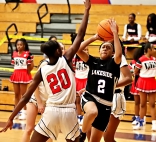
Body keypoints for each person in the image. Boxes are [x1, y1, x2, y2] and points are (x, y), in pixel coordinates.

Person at [0, 1, 91, 142]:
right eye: (60, 47)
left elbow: (25, 97)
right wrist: (86, 10)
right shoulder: (66, 59)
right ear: (57, 51)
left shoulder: (42, 69)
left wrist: (11, 117)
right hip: (68, 111)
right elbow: (80, 34)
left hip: (52, 111)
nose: (62, 49)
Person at [77, 18, 122, 142]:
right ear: (99, 51)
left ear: (112, 52)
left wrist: (115, 34)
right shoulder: (93, 61)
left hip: (106, 106)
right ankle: (82, 133)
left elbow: (119, 54)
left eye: (108, 47)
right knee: (91, 112)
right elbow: (78, 49)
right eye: (103, 47)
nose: (105, 48)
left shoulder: (114, 64)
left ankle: (84, 134)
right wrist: (94, 38)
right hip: (90, 97)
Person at [103, 43, 132, 142]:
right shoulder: (104, 59)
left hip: (116, 96)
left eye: (109, 45)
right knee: (105, 136)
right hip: (104, 97)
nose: (105, 47)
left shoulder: (119, 57)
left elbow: (129, 78)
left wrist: (111, 85)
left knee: (108, 137)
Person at [133, 43, 156, 131]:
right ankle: (140, 123)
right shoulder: (141, 60)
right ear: (148, 49)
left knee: (152, 104)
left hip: (152, 81)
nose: (155, 50)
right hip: (143, 81)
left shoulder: (155, 59)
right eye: (153, 49)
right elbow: (136, 71)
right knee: (143, 104)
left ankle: (154, 123)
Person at [10, 38, 34, 120]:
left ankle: (25, 111)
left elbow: (31, 66)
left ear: (24, 45)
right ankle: (16, 111)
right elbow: (14, 64)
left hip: (24, 74)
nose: (19, 46)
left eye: (21, 45)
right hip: (16, 73)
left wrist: (27, 73)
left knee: (24, 95)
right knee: (16, 94)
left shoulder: (28, 54)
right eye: (17, 45)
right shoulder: (14, 53)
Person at [71, 33, 89, 124]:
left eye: (86, 49)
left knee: (85, 101)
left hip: (86, 80)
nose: (85, 50)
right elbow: (74, 69)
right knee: (77, 101)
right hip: (77, 80)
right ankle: (79, 116)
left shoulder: (88, 58)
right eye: (84, 49)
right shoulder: (75, 58)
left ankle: (86, 116)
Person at [129, 48, 146, 125]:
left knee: (142, 103)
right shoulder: (132, 62)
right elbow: (129, 70)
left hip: (143, 83)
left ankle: (142, 118)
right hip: (135, 83)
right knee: (137, 102)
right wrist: (133, 72)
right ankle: (136, 117)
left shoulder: (145, 62)